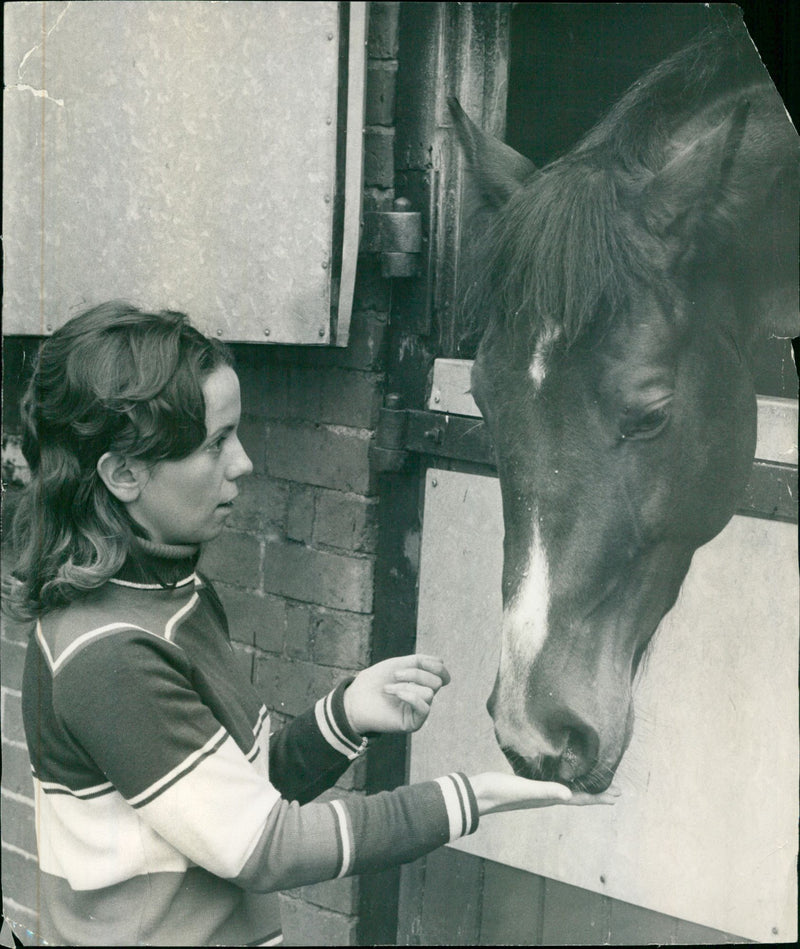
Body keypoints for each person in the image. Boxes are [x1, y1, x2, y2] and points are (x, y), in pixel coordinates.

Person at [6, 302, 615, 947]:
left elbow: (244, 790)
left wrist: (344, 715)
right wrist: (469, 799)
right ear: (124, 473)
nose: (242, 463)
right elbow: (265, 847)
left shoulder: (175, 599)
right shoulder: (110, 656)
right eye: (216, 443)